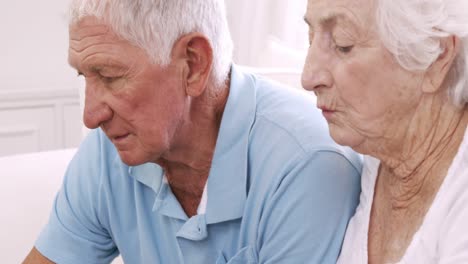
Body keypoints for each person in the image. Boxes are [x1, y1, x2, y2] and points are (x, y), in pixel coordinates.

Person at [23, 0, 362, 263]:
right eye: (86, 77)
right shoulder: (106, 153)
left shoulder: (308, 165)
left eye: (110, 77)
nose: (90, 116)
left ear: (194, 64)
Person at [302, 0, 468, 263]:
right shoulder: (377, 147)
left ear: (438, 56)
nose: (308, 78)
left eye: (342, 44)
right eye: (310, 39)